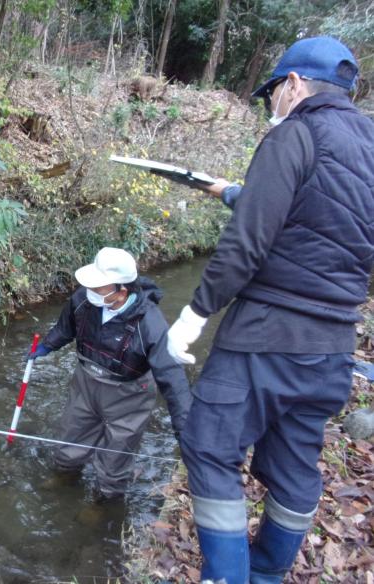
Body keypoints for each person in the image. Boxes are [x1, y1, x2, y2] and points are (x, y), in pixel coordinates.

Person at [166, 37, 374, 584]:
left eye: (273, 94)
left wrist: (193, 316)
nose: (273, 107)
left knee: (209, 448)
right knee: (294, 467)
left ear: (295, 85)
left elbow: (247, 245)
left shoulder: (297, 134)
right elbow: (326, 216)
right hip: (331, 351)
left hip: (263, 339)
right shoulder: (369, 145)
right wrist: (240, 190)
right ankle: (266, 572)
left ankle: (227, 577)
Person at [31, 247, 191, 498]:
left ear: (122, 290)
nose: (90, 291)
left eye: (99, 287)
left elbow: (172, 378)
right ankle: (63, 477)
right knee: (70, 439)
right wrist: (48, 345)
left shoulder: (150, 323)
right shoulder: (83, 299)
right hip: (86, 383)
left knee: (117, 454)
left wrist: (185, 428)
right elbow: (66, 327)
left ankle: (104, 501)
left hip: (129, 395)